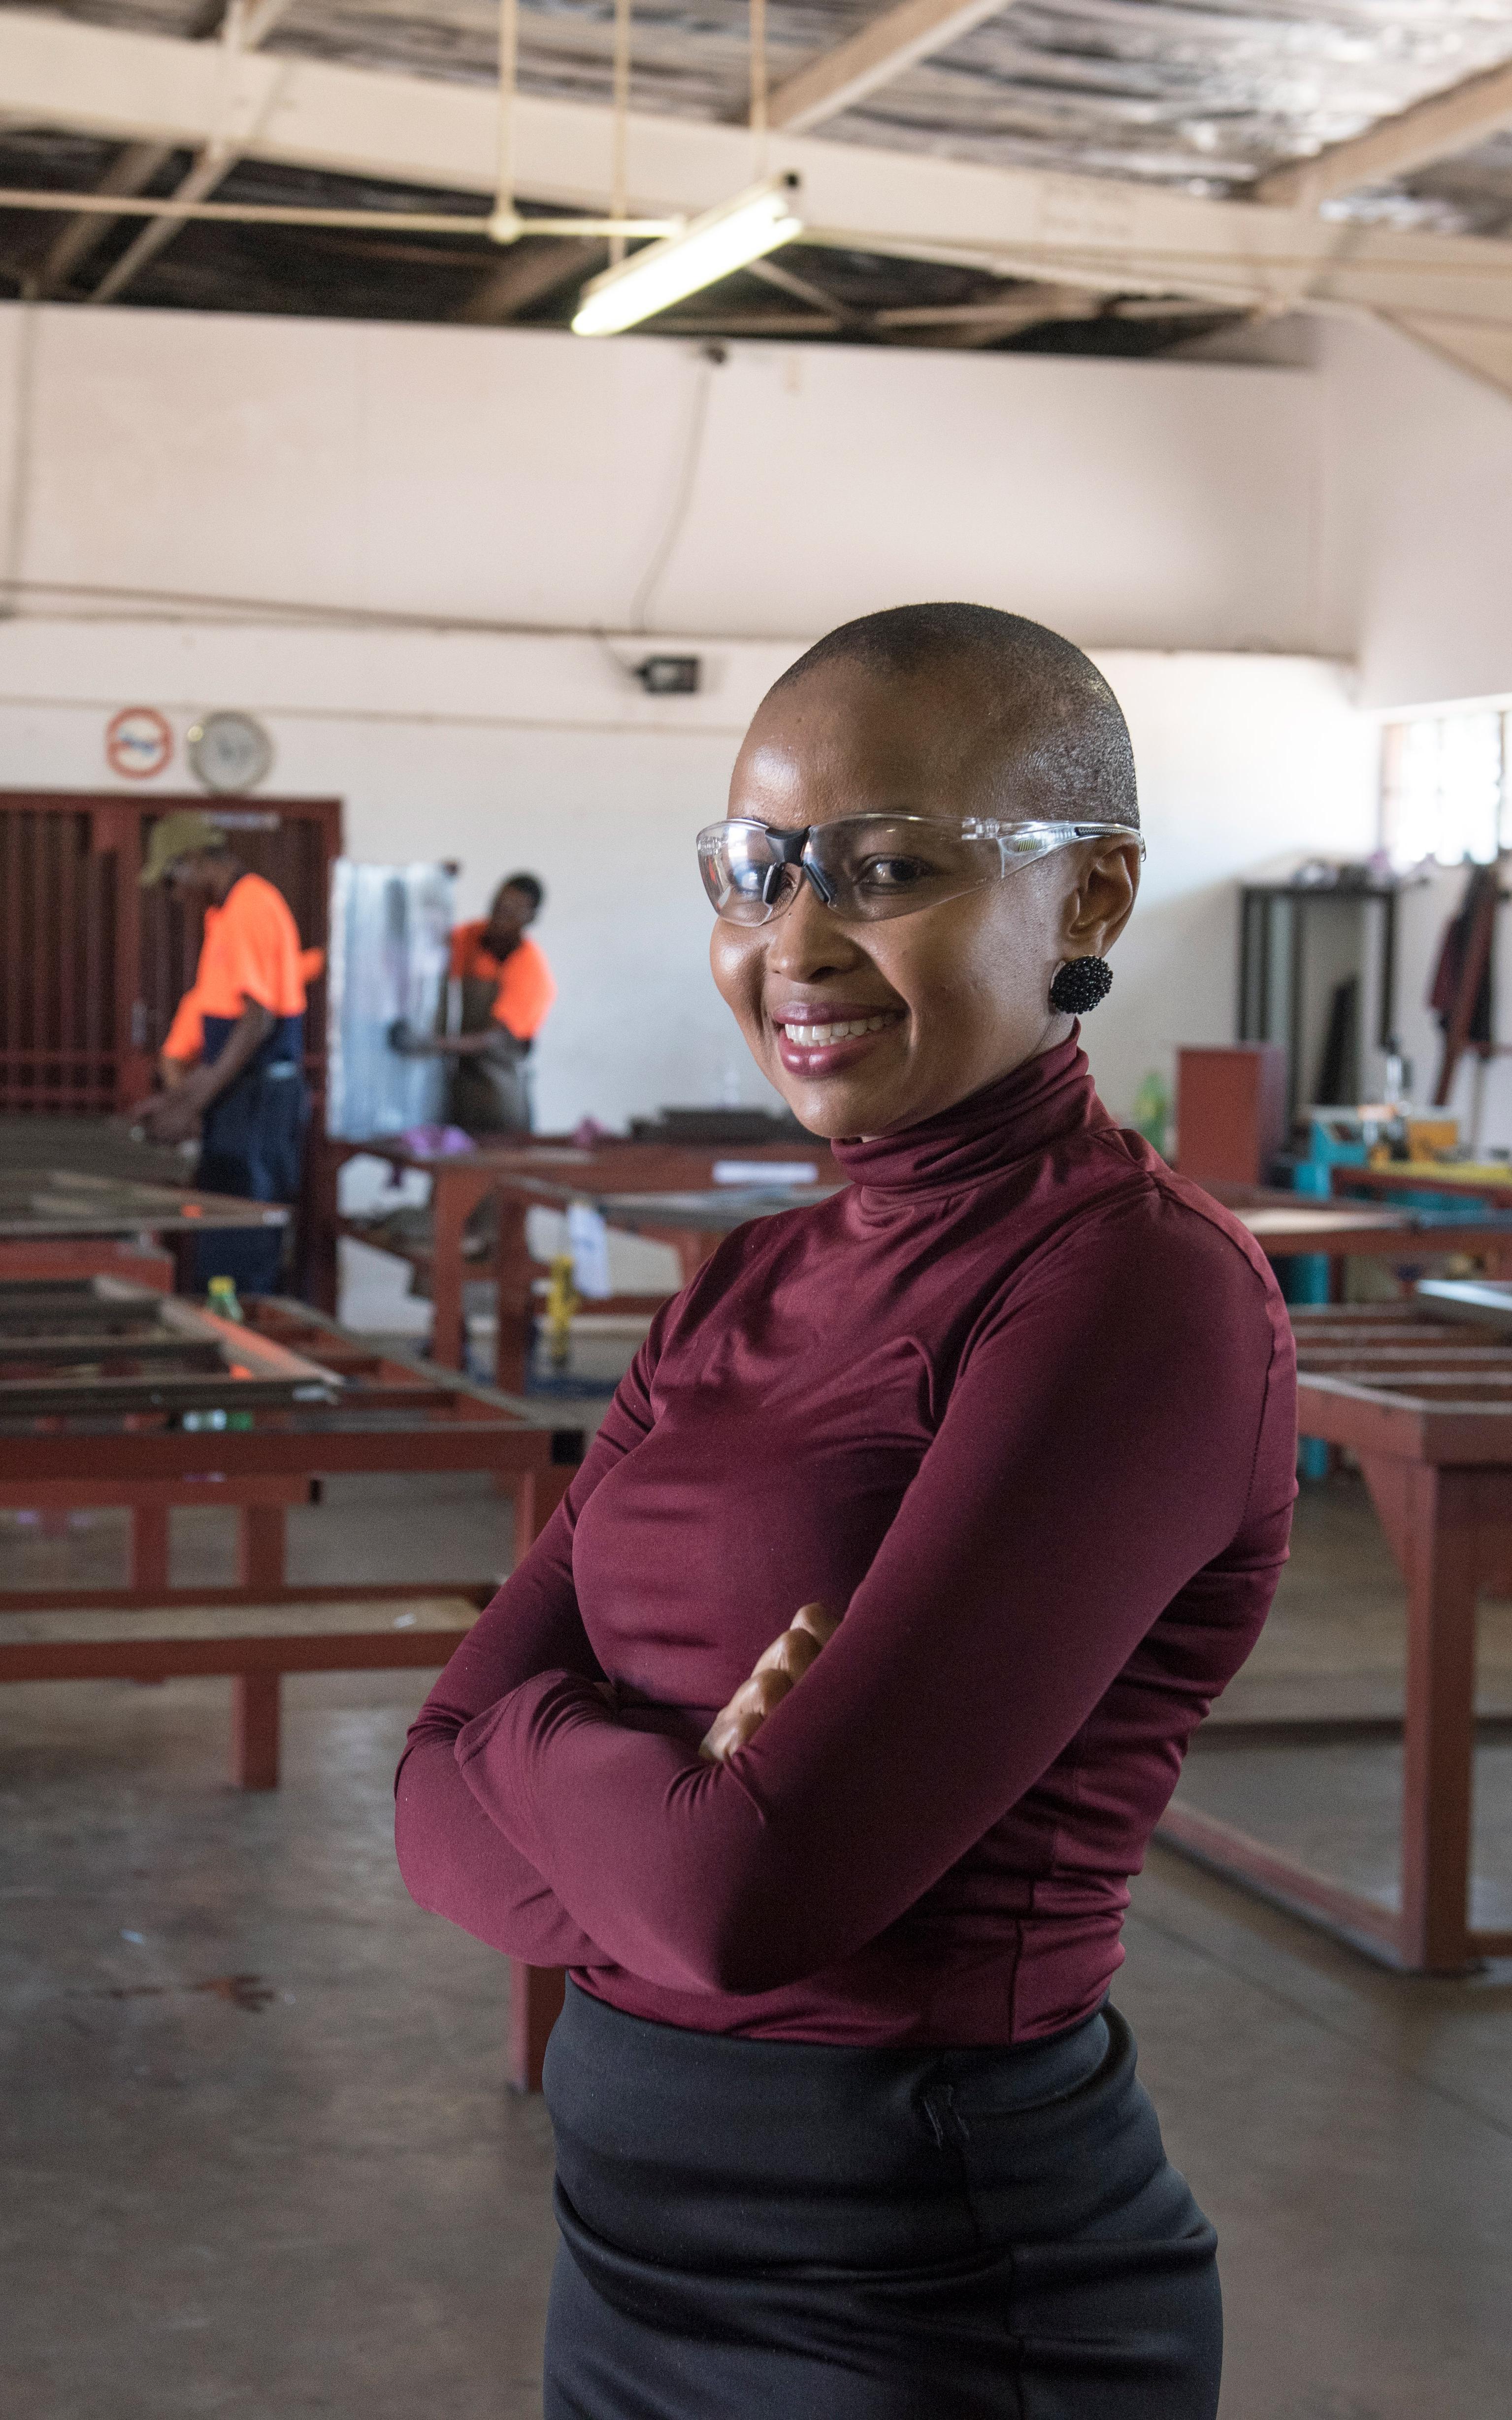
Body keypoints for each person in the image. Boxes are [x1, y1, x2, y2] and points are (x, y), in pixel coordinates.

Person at [394, 605, 1297, 2418]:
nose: (794, 942)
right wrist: (652, 1773)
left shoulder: (1130, 1292)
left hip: (929, 2296)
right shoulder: (743, 1280)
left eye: (886, 869)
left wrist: (550, 1747)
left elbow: (746, 1897)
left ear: (1095, 897)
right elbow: (429, 1814)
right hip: (629, 2267)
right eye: (756, 872)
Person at [133, 810, 309, 1296]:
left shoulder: (252, 905)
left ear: (194, 860)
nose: (173, 894)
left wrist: (193, 1102)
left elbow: (257, 1020)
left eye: (172, 879)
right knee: (222, 1228)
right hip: (239, 1095)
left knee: (244, 1232)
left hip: (259, 1100)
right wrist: (179, 1098)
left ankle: (246, 1355)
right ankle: (226, 1340)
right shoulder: (225, 913)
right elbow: (223, 1028)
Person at [390, 873, 555, 1134]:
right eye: (499, 906)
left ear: (531, 917)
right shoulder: (470, 939)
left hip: (501, 1094)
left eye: (513, 911)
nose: (501, 916)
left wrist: (430, 1043)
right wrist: (435, 883)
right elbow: (424, 948)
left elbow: (496, 1039)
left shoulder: (530, 969)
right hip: (463, 1088)